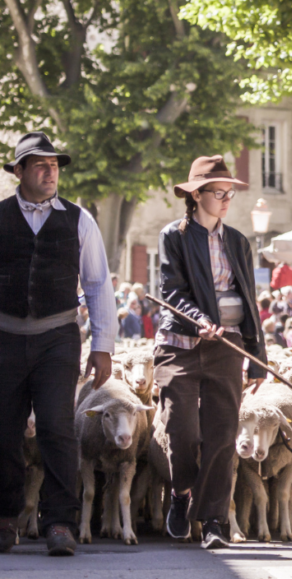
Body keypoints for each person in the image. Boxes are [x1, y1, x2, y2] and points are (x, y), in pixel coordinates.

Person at [0, 132, 118, 556]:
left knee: (56, 428)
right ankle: (5, 517)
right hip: (4, 336)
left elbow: (98, 283)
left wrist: (103, 345)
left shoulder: (79, 219)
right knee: (3, 430)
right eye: (40, 165)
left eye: (54, 165)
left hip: (58, 336)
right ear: (19, 171)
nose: (50, 172)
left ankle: (60, 523)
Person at [153, 155, 267, 550]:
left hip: (227, 345)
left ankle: (214, 520)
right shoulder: (173, 235)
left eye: (229, 193)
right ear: (197, 194)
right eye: (219, 193)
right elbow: (171, 292)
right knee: (180, 428)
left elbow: (249, 298)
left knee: (222, 434)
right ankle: (181, 492)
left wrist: (257, 355)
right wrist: (199, 320)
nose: (226, 200)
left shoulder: (237, 241)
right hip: (180, 345)